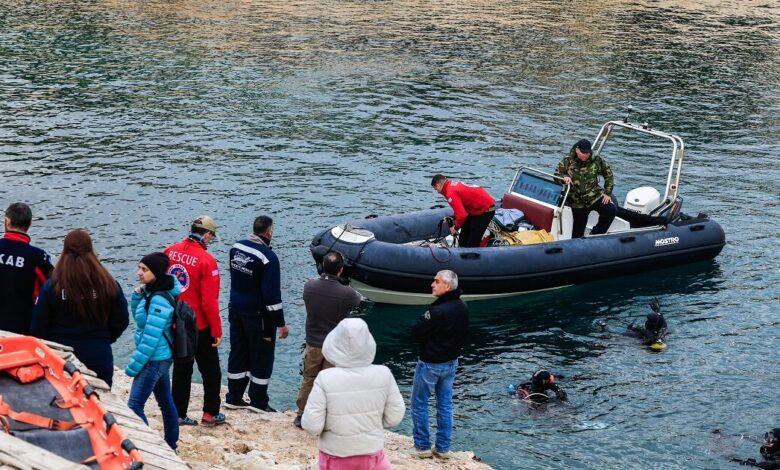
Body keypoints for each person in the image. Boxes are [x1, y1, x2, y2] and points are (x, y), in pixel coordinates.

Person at [302, 318, 405, 470]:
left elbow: (312, 425)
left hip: (335, 455)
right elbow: (395, 417)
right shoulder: (384, 373)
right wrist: (372, 424)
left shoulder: (325, 378)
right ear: (369, 343)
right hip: (372, 456)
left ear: (334, 343)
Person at [30, 229, 128, 388]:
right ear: (91, 250)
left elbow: (38, 327)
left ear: (64, 251)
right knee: (100, 403)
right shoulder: (108, 284)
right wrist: (105, 338)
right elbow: (122, 320)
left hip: (61, 355)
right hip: (98, 354)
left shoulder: (52, 286)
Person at [164, 215, 225, 427]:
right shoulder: (207, 261)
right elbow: (209, 302)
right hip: (200, 325)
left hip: (175, 320)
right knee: (211, 371)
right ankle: (210, 413)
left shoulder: (170, 251)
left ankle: (178, 414)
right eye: (211, 236)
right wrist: (217, 329)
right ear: (207, 234)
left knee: (181, 370)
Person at [225, 216, 289, 413]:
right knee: (262, 355)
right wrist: (281, 323)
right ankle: (258, 402)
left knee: (238, 350)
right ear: (269, 232)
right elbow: (271, 295)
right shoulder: (268, 257)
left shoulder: (236, 248)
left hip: (235, 309)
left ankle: (233, 396)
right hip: (258, 315)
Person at [294, 251, 362, 428]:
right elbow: (358, 301)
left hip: (313, 343)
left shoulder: (309, 286)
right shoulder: (347, 293)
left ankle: (302, 415)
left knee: (309, 378)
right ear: (340, 270)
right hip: (335, 346)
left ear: (322, 267)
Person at [410, 270, 469, 459]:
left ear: (448, 286)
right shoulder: (463, 307)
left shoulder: (437, 311)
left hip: (430, 363)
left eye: (437, 281)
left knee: (419, 404)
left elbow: (416, 333)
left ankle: (422, 446)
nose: (432, 284)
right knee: (445, 405)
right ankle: (443, 448)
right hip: (451, 362)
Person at [125, 252, 180, 451]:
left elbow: (150, 338)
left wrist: (133, 367)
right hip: (160, 356)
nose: (139, 272)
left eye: (144, 269)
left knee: (133, 406)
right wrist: (137, 296)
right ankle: (171, 445)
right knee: (166, 402)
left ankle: (151, 448)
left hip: (155, 358)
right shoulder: (151, 292)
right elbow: (140, 321)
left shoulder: (159, 300)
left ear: (156, 272)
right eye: (139, 267)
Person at [0, 202, 53, 334]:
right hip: (22, 331)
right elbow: (52, 290)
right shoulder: (39, 257)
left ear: (7, 221)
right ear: (30, 224)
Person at [554, 139, 617, 238]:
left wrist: (607, 192)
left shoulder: (597, 160)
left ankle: (596, 233)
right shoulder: (567, 161)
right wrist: (564, 178)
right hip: (576, 202)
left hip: (593, 197)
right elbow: (556, 176)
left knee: (610, 210)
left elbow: (608, 175)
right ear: (577, 150)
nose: (585, 155)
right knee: (577, 233)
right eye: (583, 152)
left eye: (587, 153)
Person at [431, 174, 496, 248]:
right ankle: (462, 253)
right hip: (475, 210)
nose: (438, 192)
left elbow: (462, 215)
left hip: (484, 211)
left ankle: (473, 255)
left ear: (438, 185)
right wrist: (453, 217)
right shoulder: (451, 185)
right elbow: (461, 210)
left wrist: (455, 228)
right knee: (463, 239)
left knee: (472, 242)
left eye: (436, 189)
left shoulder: (450, 192)